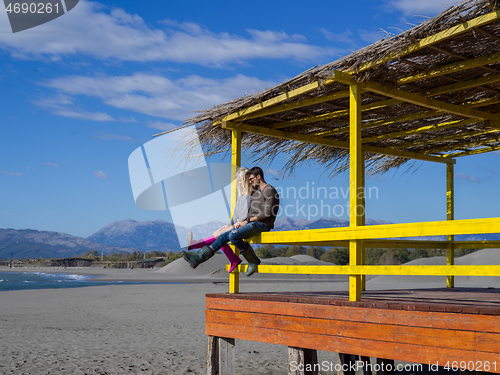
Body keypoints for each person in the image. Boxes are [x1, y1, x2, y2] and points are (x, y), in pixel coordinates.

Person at [182, 167, 280, 277]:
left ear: (259, 176)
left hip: (263, 224)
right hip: (251, 223)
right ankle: (197, 258)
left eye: (251, 178)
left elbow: (267, 213)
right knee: (223, 236)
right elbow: (250, 213)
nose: (250, 181)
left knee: (233, 236)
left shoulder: (269, 190)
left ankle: (252, 260)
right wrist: (243, 221)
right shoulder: (258, 193)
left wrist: (246, 220)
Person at [182, 167, 253, 273]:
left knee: (220, 235)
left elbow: (248, 214)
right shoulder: (241, 196)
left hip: (245, 225)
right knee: (217, 233)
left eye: (242, 179)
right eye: (238, 180)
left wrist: (236, 224)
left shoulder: (251, 194)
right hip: (237, 224)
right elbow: (236, 214)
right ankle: (233, 259)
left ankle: (196, 245)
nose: (240, 183)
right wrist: (228, 225)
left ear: (247, 179)